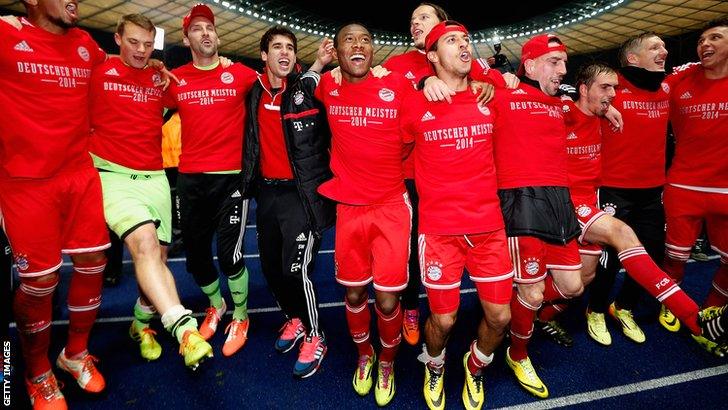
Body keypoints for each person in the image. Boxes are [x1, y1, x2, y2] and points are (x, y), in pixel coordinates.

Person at [535, 62, 728, 355]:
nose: (613, 94)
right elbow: (533, 104)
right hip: (562, 201)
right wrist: (557, 94)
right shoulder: (563, 112)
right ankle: (695, 319)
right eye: (605, 87)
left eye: (614, 87)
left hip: (591, 198)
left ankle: (536, 315)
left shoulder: (603, 116)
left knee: (579, 282)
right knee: (623, 234)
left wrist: (603, 107)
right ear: (584, 89)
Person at [0, 1, 110, 408]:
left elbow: (117, 63)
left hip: (79, 173)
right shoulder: (6, 35)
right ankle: (36, 371)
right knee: (41, 281)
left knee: (95, 260)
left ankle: (74, 353)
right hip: (25, 181)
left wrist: (151, 67)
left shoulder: (85, 43)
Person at [88, 14, 212, 368]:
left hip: (155, 176)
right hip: (112, 176)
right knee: (142, 243)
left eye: (147, 44)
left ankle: (142, 325)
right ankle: (183, 328)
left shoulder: (160, 79)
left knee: (157, 259)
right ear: (117, 39)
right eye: (133, 42)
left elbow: (195, 90)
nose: (141, 51)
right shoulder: (97, 72)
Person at [400, 21, 513, 410]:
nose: (464, 45)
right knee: (443, 323)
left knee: (500, 318)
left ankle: (476, 365)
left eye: (467, 39)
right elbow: (392, 148)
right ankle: (435, 364)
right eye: (452, 40)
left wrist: (497, 84)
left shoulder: (490, 98)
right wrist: (419, 85)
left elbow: (525, 90)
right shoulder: (416, 102)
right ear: (432, 56)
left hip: (489, 229)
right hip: (440, 232)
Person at [314, 22, 412, 406]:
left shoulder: (398, 87)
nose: (358, 44)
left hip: (390, 206)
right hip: (349, 209)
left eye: (366, 39)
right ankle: (364, 353)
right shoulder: (328, 85)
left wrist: (493, 77)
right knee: (354, 291)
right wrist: (319, 65)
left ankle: (387, 360)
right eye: (348, 40)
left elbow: (412, 137)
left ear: (374, 50)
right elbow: (300, 84)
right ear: (337, 53)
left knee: (387, 301)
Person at [163, 3, 258, 357]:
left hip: (231, 180)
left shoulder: (242, 75)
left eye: (210, 28)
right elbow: (145, 101)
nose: (206, 33)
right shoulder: (177, 80)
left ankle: (241, 315)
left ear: (217, 35)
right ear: (187, 38)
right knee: (197, 257)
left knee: (229, 254)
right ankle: (216, 304)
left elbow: (282, 79)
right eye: (198, 29)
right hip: (190, 180)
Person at [493, 34, 584, 399]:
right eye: (553, 62)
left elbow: (586, 110)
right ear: (529, 65)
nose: (562, 70)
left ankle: (519, 318)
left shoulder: (562, 104)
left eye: (564, 62)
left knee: (573, 286)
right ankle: (518, 353)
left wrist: (606, 107)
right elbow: (464, 77)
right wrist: (497, 76)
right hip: (521, 197)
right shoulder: (501, 93)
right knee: (530, 288)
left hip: (559, 198)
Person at [242, 27, 335, 377]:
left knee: (296, 270)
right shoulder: (253, 92)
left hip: (300, 194)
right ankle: (293, 319)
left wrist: (323, 63)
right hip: (267, 194)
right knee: (269, 268)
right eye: (277, 47)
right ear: (264, 55)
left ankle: (316, 334)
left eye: (290, 48)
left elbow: (321, 80)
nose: (284, 53)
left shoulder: (305, 89)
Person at [587, 32, 672, 344]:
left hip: (652, 189)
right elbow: (570, 95)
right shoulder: (612, 85)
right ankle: (594, 309)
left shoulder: (668, 85)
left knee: (652, 255)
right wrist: (601, 105)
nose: (663, 50)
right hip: (613, 188)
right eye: (654, 47)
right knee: (610, 259)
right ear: (633, 59)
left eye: (664, 46)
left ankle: (622, 307)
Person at [662, 17, 728, 356]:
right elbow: (646, 92)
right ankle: (672, 303)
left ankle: (713, 310)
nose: (705, 43)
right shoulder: (681, 80)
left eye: (715, 37)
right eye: (702, 38)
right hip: (683, 183)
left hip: (726, 191)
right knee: (676, 257)